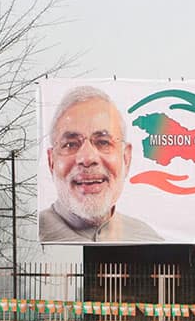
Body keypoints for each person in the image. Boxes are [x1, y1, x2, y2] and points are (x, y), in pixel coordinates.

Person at [38, 85, 163, 243]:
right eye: (70, 144)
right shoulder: (33, 236)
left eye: (103, 142)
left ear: (126, 158)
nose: (87, 158)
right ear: (51, 161)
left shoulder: (148, 239)